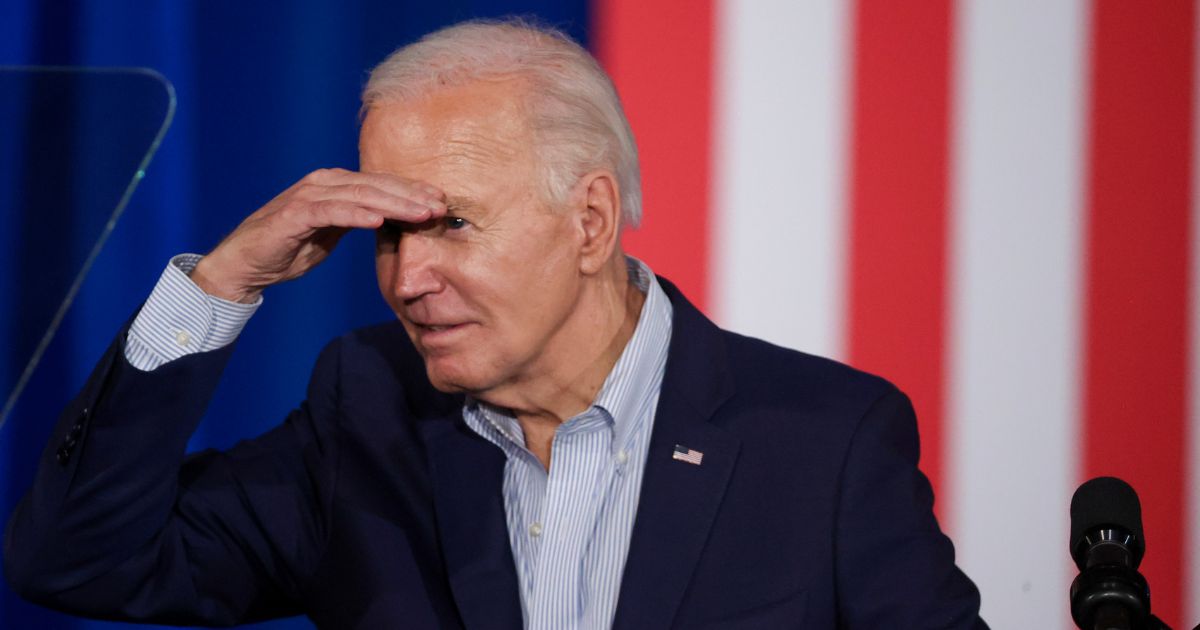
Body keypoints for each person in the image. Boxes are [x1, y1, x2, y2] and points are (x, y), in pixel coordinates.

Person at [5, 19, 986, 629]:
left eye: (452, 226)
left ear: (590, 221)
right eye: (389, 233)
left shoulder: (824, 442)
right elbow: (78, 563)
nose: (409, 278)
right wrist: (219, 285)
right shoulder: (366, 415)